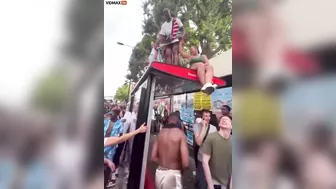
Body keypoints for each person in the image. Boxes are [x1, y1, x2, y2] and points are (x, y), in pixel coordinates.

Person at [151, 112, 189, 189]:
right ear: (177, 120)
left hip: (159, 173)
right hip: (173, 174)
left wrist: (163, 164)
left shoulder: (160, 134)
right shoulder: (180, 135)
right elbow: (186, 163)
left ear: (168, 120)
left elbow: (153, 157)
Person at [201, 115, 232, 189]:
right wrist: (210, 184)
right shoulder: (211, 137)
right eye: (222, 119)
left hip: (227, 181)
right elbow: (205, 161)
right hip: (214, 180)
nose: (223, 120)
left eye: (226, 120)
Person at [193, 109, 218, 189]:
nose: (207, 118)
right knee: (202, 182)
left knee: (211, 181)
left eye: (209, 116)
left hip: (212, 159)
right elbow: (199, 142)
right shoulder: (196, 126)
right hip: (201, 158)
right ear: (201, 117)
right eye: (205, 116)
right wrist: (203, 126)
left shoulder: (214, 128)